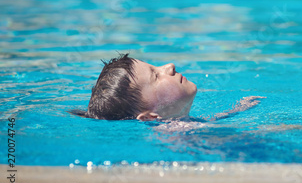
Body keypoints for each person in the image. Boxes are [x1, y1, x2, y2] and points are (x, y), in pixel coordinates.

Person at [70, 53, 264, 121]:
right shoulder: (175, 137)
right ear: (149, 117)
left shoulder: (173, 127)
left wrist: (236, 111)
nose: (169, 66)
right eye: (156, 75)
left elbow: (203, 125)